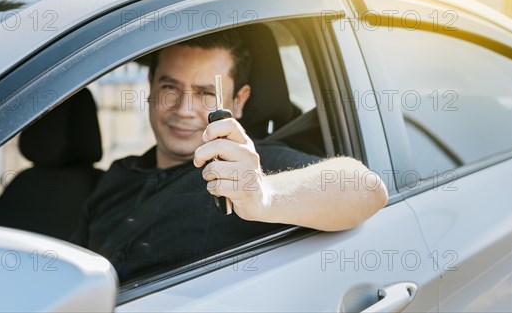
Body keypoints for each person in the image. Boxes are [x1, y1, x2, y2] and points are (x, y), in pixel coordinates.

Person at [71, 29, 388, 281]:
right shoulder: (117, 176)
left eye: (206, 94)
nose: (184, 110)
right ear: (151, 85)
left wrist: (263, 195)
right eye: (170, 88)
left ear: (238, 101)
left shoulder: (247, 169)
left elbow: (366, 188)